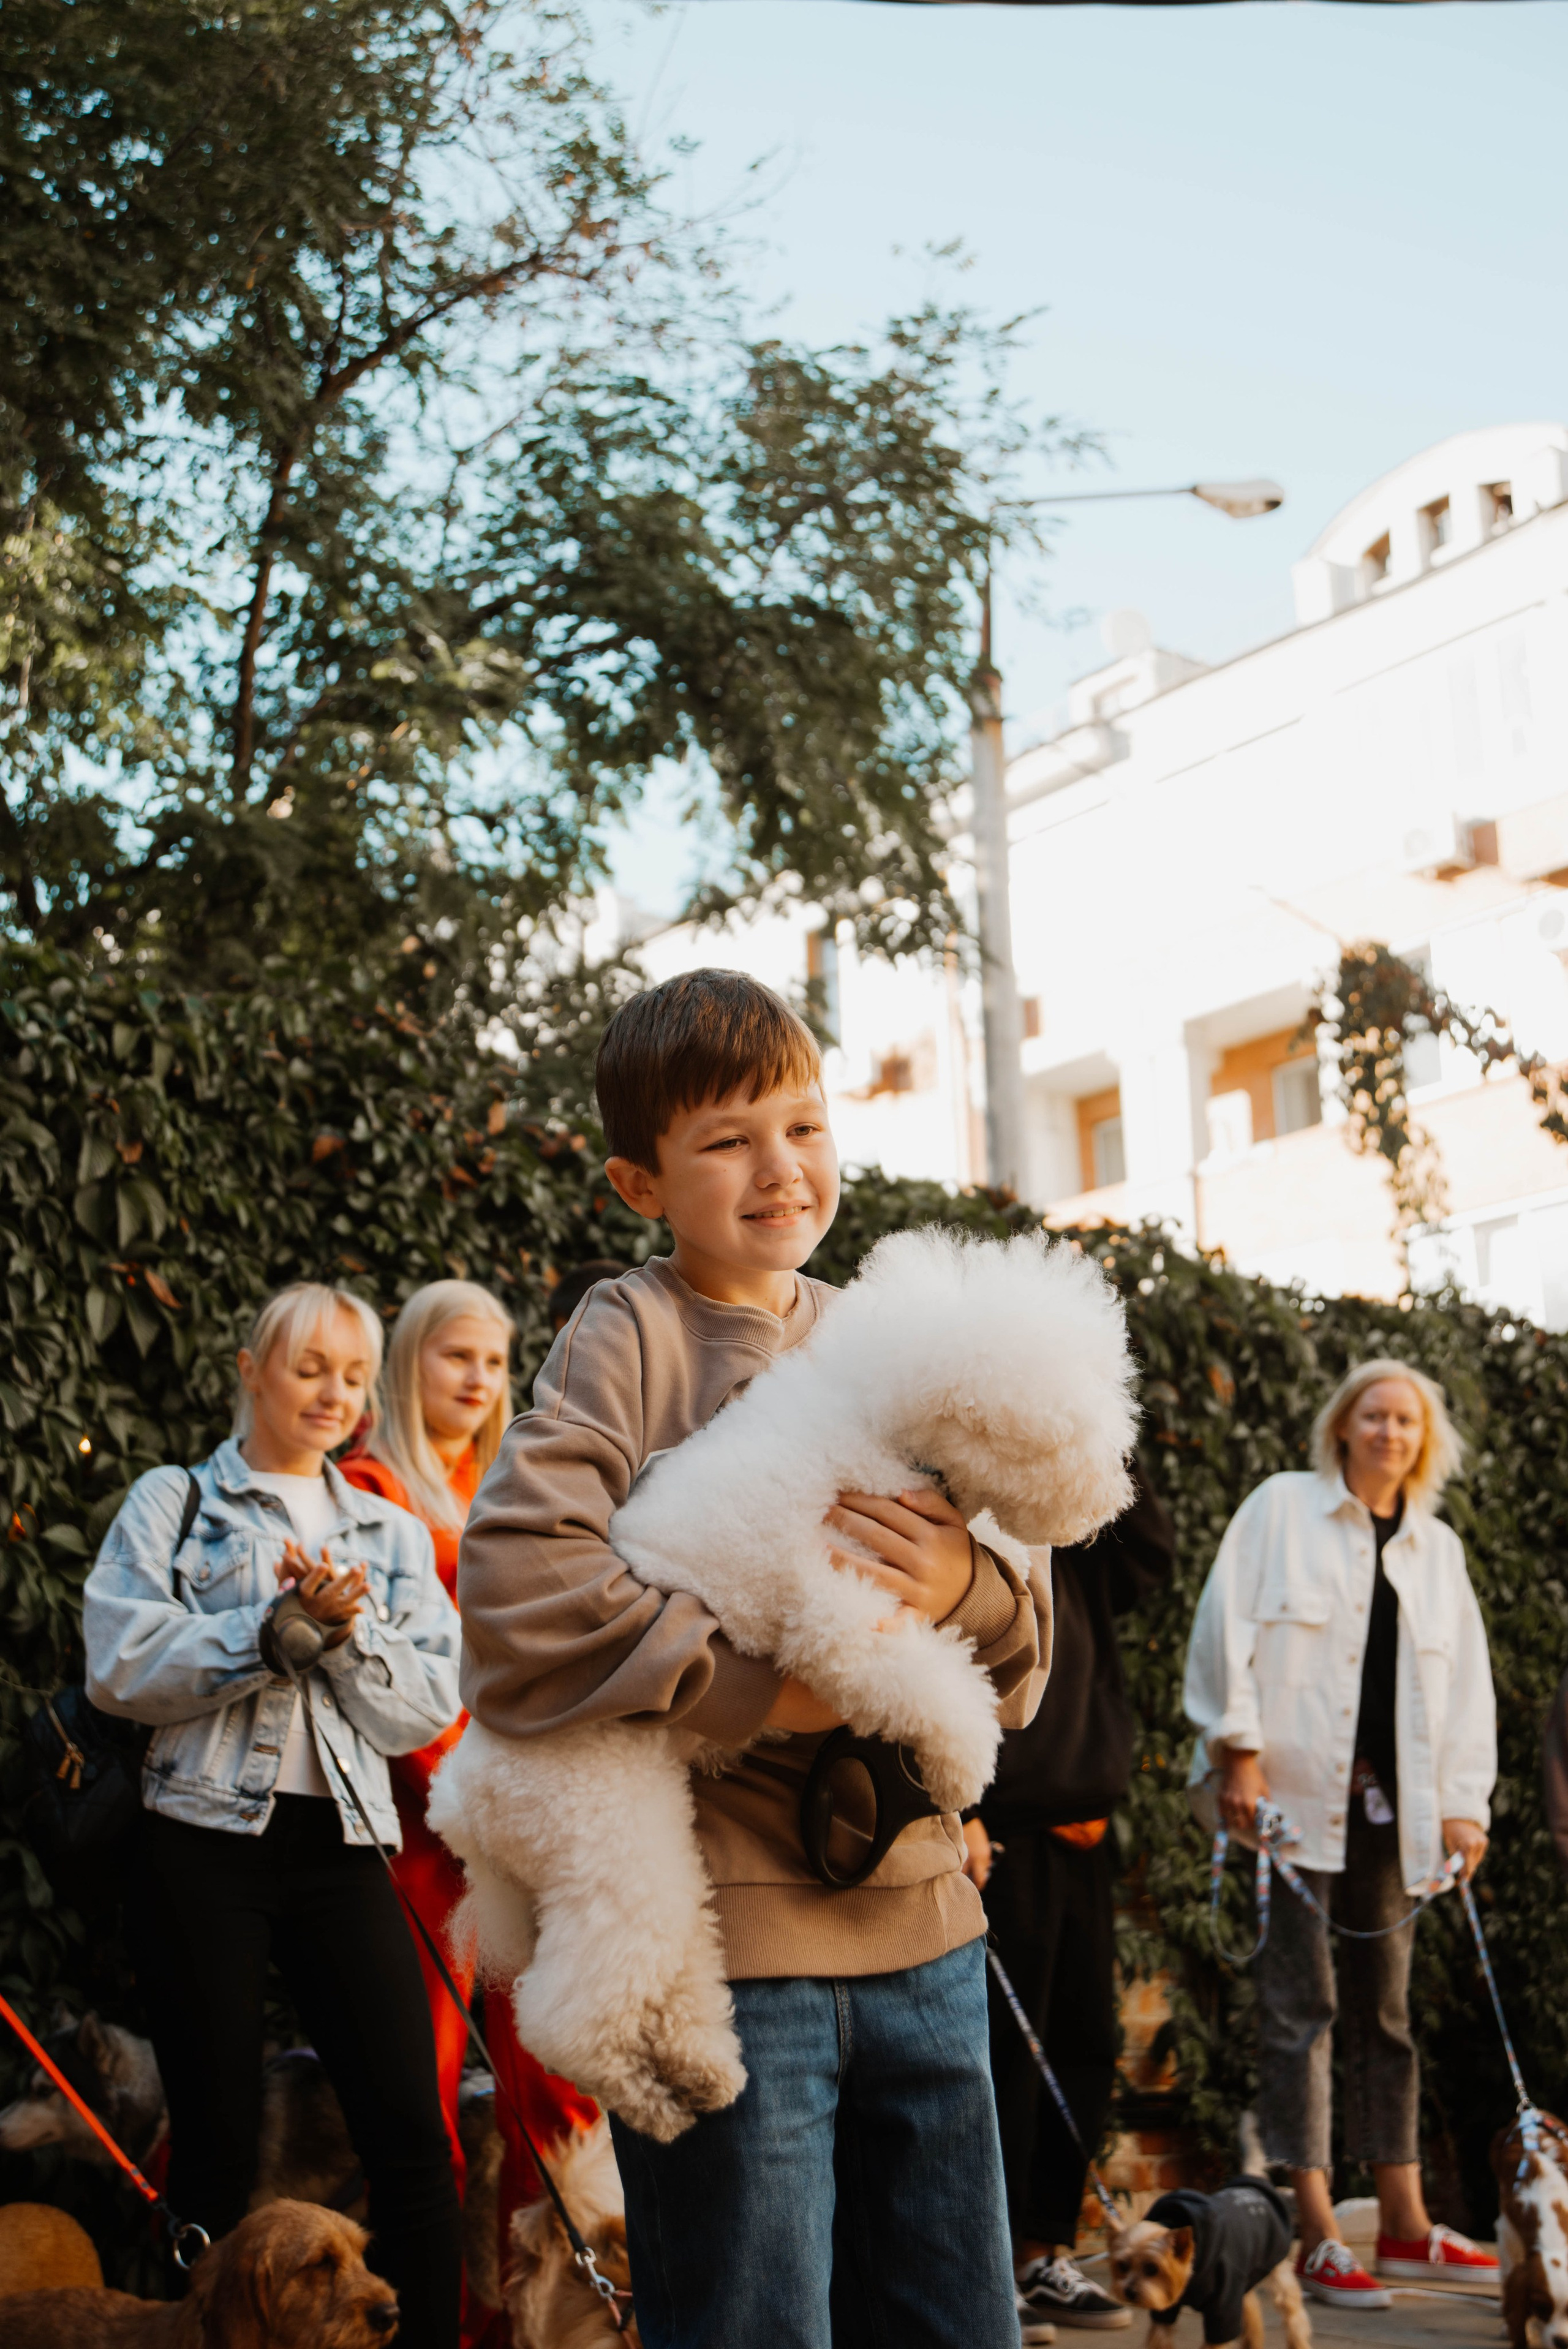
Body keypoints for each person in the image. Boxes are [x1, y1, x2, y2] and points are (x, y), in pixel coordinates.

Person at [457, 968, 1049, 2349]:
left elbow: (1027, 1644)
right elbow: (518, 1588)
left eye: (802, 1123)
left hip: (927, 1929)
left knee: (960, 2318)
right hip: (737, 1959)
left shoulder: (892, 1339)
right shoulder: (629, 1333)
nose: (778, 1166)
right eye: (726, 1139)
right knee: (750, 2322)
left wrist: (963, 1578)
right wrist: (762, 1692)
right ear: (636, 1182)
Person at [83, 1283, 464, 2349]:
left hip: (344, 1850)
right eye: (308, 1369)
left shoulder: (386, 1528)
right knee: (210, 2145)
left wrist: (341, 1634)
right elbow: (119, 1664)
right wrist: (268, 1628)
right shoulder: (176, 1501)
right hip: (199, 1847)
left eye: (353, 1375)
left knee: (410, 2138)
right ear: (250, 1370)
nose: (334, 1394)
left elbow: (426, 1707)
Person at [1183, 1359, 1498, 2312]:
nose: (1390, 1431)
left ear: (1423, 1439)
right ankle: (1315, 2229)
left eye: (1406, 1419)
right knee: (1298, 2011)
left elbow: (1468, 1689)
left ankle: (1403, 2223)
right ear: (1342, 1427)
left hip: (1395, 1822)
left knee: (1389, 2016)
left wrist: (1465, 1804)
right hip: (1291, 1805)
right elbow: (1222, 1624)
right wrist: (1236, 1751)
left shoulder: (1436, 1551)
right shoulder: (1280, 1510)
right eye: (1374, 1414)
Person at [339, 1280, 597, 2348]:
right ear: (407, 1363)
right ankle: (432, 2329)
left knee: (559, 2097)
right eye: (458, 1357)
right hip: (423, 1832)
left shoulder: (512, 1482)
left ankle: (548, 2325)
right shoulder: (363, 1484)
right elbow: (373, 1672)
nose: (481, 1380)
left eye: (496, 1362)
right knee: (426, 2112)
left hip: (528, 1817)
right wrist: (467, 1795)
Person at [972, 1466, 1174, 2342]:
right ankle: (986, 2266)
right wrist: (964, 1811)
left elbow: (1154, 1557)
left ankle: (1042, 2253)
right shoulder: (971, 1496)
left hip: (1086, 1823)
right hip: (1004, 1828)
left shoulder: (1083, 1509)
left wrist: (1107, 1437)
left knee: (1087, 2044)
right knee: (1004, 2058)